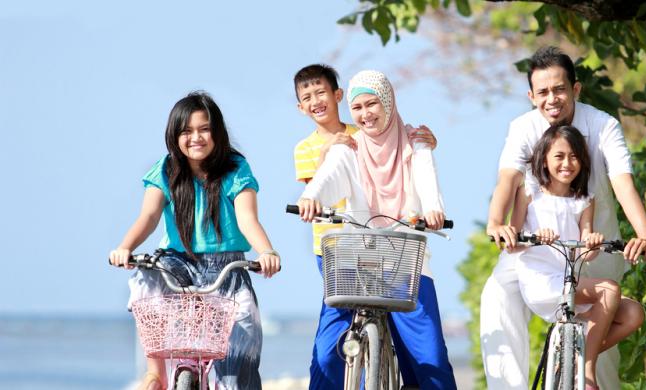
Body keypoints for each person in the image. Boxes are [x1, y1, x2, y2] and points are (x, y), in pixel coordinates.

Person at [482, 46, 646, 389]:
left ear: (575, 89)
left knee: (605, 351)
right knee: (496, 296)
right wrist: (494, 222)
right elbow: (509, 179)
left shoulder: (603, 125)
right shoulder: (522, 127)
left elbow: (623, 182)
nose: (552, 99)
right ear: (531, 96)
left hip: (591, 243)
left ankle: (581, 365)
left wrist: (645, 233)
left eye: (559, 89)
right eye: (543, 92)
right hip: (535, 249)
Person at [109, 91, 281, 390]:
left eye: (204, 129)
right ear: (174, 136)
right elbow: (149, 217)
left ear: (217, 133)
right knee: (147, 277)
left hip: (228, 268)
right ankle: (156, 373)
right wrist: (126, 247)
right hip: (179, 262)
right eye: (186, 131)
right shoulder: (166, 170)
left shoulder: (235, 168)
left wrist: (266, 251)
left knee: (240, 360)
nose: (196, 138)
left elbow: (247, 219)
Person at [296, 70, 457, 389]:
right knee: (328, 352)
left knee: (430, 357)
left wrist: (433, 209)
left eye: (373, 104)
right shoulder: (349, 146)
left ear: (389, 102)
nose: (366, 114)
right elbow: (327, 177)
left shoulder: (415, 143)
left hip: (405, 262)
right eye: (358, 108)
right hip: (353, 261)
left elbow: (426, 180)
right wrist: (310, 199)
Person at [513, 125, 644, 389]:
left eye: (574, 156)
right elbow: (511, 243)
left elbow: (587, 250)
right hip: (542, 282)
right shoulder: (530, 192)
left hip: (571, 282)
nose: (567, 163)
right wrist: (536, 235)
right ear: (545, 158)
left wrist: (593, 243)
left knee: (633, 313)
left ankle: (574, 356)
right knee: (609, 290)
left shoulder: (584, 199)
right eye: (559, 156)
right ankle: (586, 371)